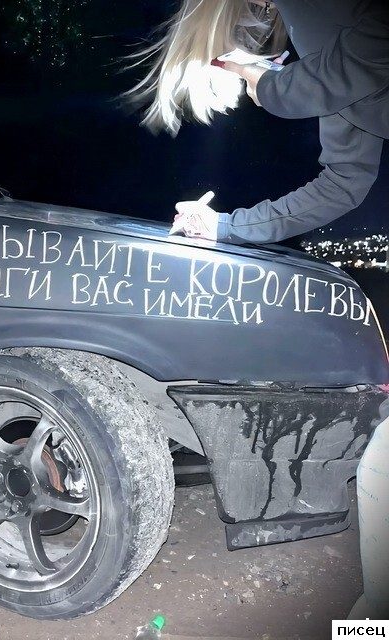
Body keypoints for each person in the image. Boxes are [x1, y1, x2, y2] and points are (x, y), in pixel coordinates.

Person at [130, 0, 389, 619]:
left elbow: (369, 54)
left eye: (232, 77)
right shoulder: (328, 65)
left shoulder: (331, 40)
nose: (247, 95)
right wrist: (225, 227)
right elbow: (343, 182)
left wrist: (270, 87)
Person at [129, 0, 388, 244]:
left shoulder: (326, 74)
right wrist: (223, 226)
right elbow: (343, 184)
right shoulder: (331, 75)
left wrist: (279, 87)